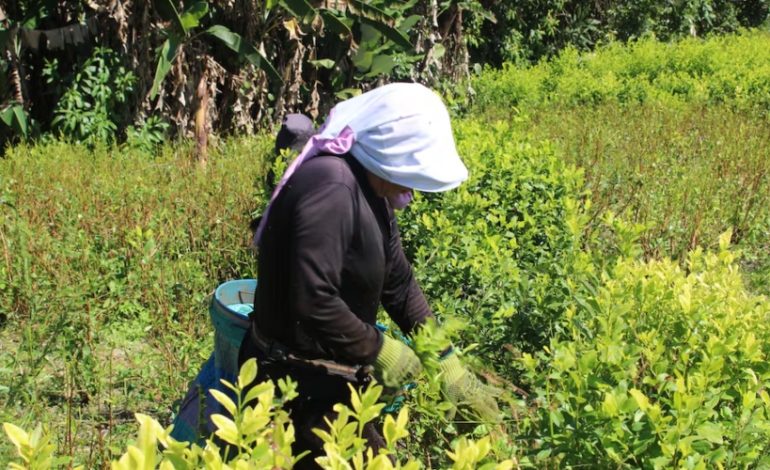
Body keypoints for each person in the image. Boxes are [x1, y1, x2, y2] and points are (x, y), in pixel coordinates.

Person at [239, 83, 499, 468]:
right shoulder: (333, 185)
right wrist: (380, 350)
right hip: (290, 385)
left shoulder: (374, 192)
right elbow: (312, 298)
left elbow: (399, 283)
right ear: (390, 155)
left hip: (331, 382)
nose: (414, 185)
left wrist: (445, 362)